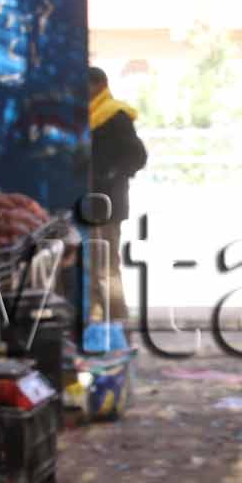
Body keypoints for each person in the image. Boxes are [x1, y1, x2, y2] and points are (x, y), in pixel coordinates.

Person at [85, 66, 148, 323]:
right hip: (91, 200)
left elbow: (138, 156)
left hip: (108, 201)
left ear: (99, 85)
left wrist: (113, 174)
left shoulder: (115, 115)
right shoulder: (89, 115)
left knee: (106, 264)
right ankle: (98, 317)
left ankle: (116, 319)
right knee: (93, 263)